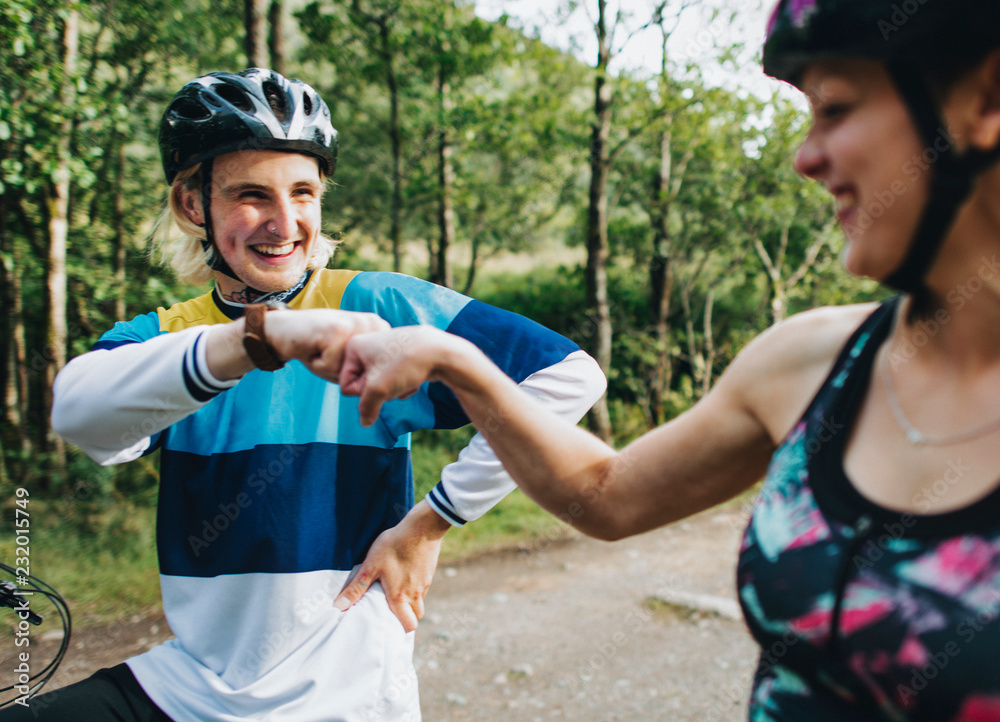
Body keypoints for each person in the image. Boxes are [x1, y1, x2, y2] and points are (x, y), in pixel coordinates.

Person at [336, 1, 1000, 719]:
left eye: (835, 108)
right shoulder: (809, 364)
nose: (805, 157)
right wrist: (453, 361)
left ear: (986, 100)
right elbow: (607, 492)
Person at [12, 69, 605, 721]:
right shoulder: (168, 336)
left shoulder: (375, 304)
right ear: (191, 205)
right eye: (251, 195)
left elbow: (567, 375)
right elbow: (78, 412)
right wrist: (262, 337)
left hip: (342, 694)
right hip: (188, 684)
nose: (284, 221)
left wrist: (433, 520)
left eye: (302, 192)